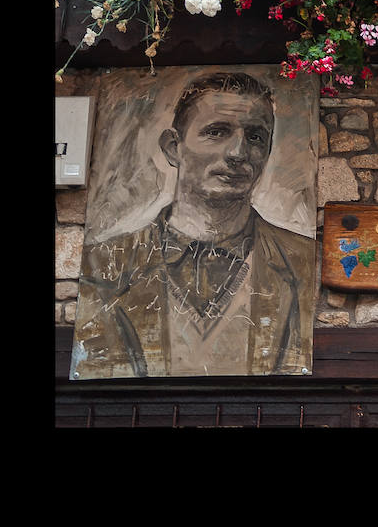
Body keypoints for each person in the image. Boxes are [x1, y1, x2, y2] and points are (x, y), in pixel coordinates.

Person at [71, 72, 316, 379]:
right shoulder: (105, 263)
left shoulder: (301, 261)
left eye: (255, 137)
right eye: (217, 132)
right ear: (173, 147)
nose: (238, 153)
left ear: (267, 151)